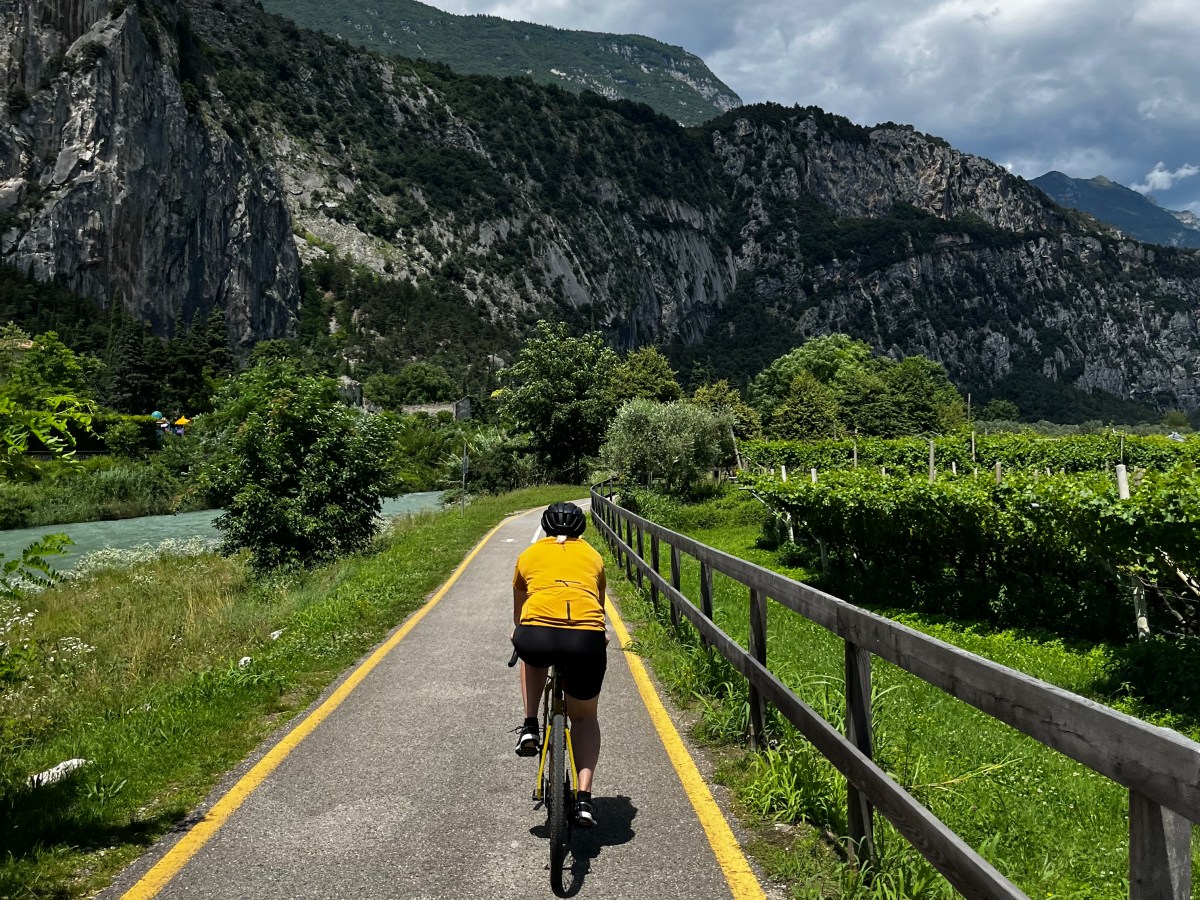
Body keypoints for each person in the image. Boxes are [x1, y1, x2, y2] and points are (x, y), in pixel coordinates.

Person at [511, 501, 607, 828]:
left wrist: (522, 633)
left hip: (537, 634)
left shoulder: (529, 555)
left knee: (531, 653)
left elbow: (519, 614)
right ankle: (583, 800)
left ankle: (529, 726)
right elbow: (598, 610)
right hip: (585, 639)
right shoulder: (594, 556)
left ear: (546, 528)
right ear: (581, 529)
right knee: (584, 717)